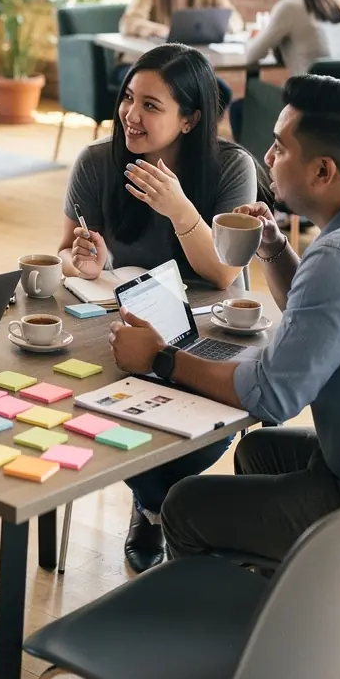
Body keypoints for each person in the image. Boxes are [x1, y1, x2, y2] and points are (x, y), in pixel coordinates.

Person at [109, 73, 340, 679]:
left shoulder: (339, 256)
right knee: (261, 454)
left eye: (278, 146)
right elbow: (318, 321)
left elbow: (275, 393)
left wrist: (161, 358)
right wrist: (276, 247)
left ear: (325, 168)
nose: (267, 156)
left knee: (190, 506)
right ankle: (311, 670)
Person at [59, 44, 257, 573]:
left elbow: (222, 273)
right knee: (96, 403)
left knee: (198, 424)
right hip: (125, 325)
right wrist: (85, 261)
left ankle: (151, 508)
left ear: (190, 119)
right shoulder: (99, 162)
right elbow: (66, 250)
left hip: (210, 332)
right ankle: (156, 508)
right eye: (128, 98)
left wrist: (179, 209)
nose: (130, 114)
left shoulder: (232, 167)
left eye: (151, 105)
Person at [230, 0, 340, 141]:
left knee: (241, 108)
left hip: (309, 107)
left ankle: (256, 169)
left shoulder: (291, 6)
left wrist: (257, 35)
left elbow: (252, 55)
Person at [118, 0, 242, 112]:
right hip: (141, 64)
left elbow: (236, 20)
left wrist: (219, 24)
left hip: (182, 68)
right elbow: (129, 23)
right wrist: (159, 30)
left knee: (221, 92)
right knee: (176, 90)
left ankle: (196, 137)